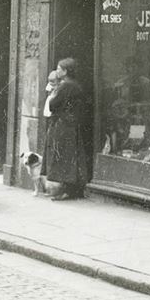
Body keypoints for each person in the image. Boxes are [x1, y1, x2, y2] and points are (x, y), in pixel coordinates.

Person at [42, 57, 89, 201]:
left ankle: (67, 190)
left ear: (65, 71)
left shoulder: (65, 86)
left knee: (62, 157)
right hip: (71, 124)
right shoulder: (75, 85)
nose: (56, 71)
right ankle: (71, 189)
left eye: (59, 69)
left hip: (62, 125)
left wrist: (53, 93)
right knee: (70, 156)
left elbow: (52, 104)